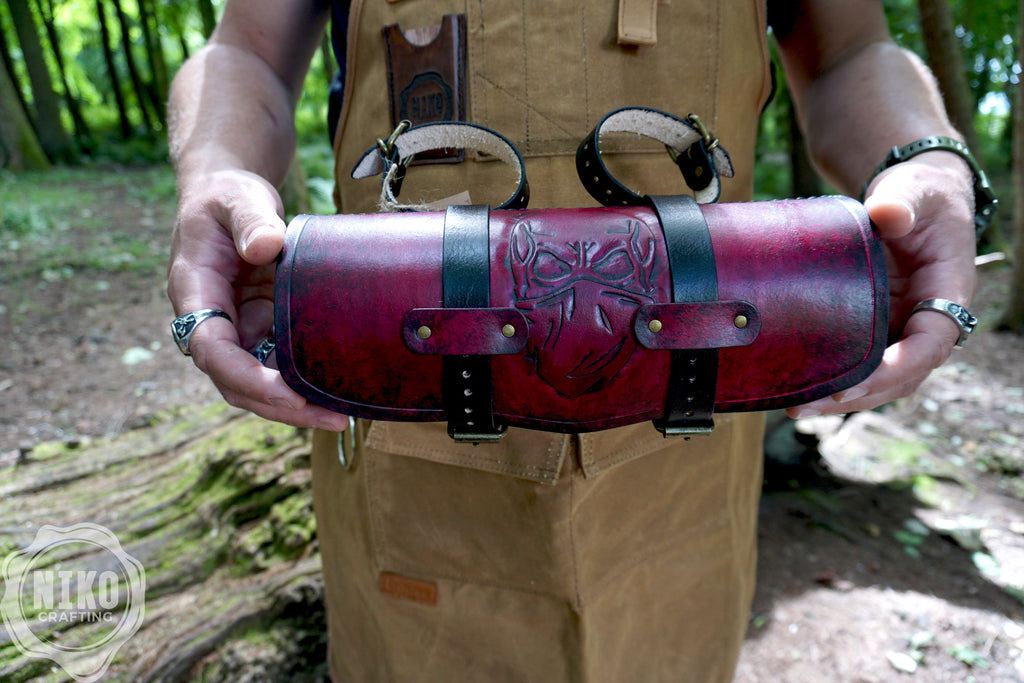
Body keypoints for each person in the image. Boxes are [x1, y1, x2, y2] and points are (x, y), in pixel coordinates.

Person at [166, 0, 982, 679]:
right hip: (409, 441)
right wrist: (215, 172)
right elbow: (248, 52)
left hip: (688, 451)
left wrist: (929, 158)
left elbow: (852, 51)